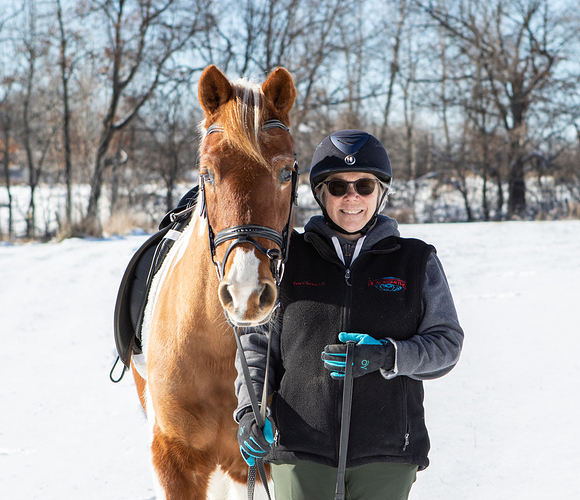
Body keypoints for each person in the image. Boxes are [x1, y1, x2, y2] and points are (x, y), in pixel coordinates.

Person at [235, 130, 464, 500]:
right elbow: (257, 346)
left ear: (381, 192)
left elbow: (447, 343)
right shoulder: (287, 259)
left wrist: (388, 355)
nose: (352, 196)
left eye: (365, 185)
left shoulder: (416, 261)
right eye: (338, 186)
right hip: (299, 451)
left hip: (387, 454)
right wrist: (248, 412)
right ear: (321, 194)